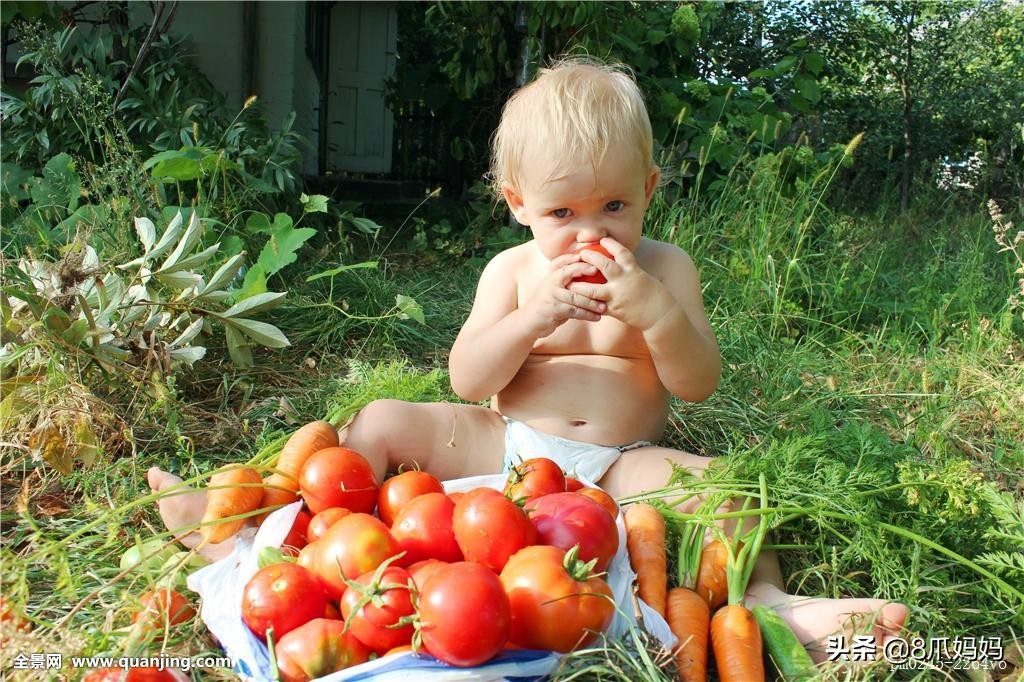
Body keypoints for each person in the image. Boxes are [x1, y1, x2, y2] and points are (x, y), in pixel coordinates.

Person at [150, 57, 906, 663]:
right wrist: (534, 315)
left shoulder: (666, 269)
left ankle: (774, 605)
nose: (590, 235)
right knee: (379, 418)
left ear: (648, 190)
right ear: (517, 204)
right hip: (505, 443)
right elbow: (468, 379)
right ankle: (267, 542)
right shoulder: (511, 272)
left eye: (615, 207)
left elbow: (697, 384)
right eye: (561, 214)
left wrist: (653, 311)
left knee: (733, 494)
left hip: (619, 460)